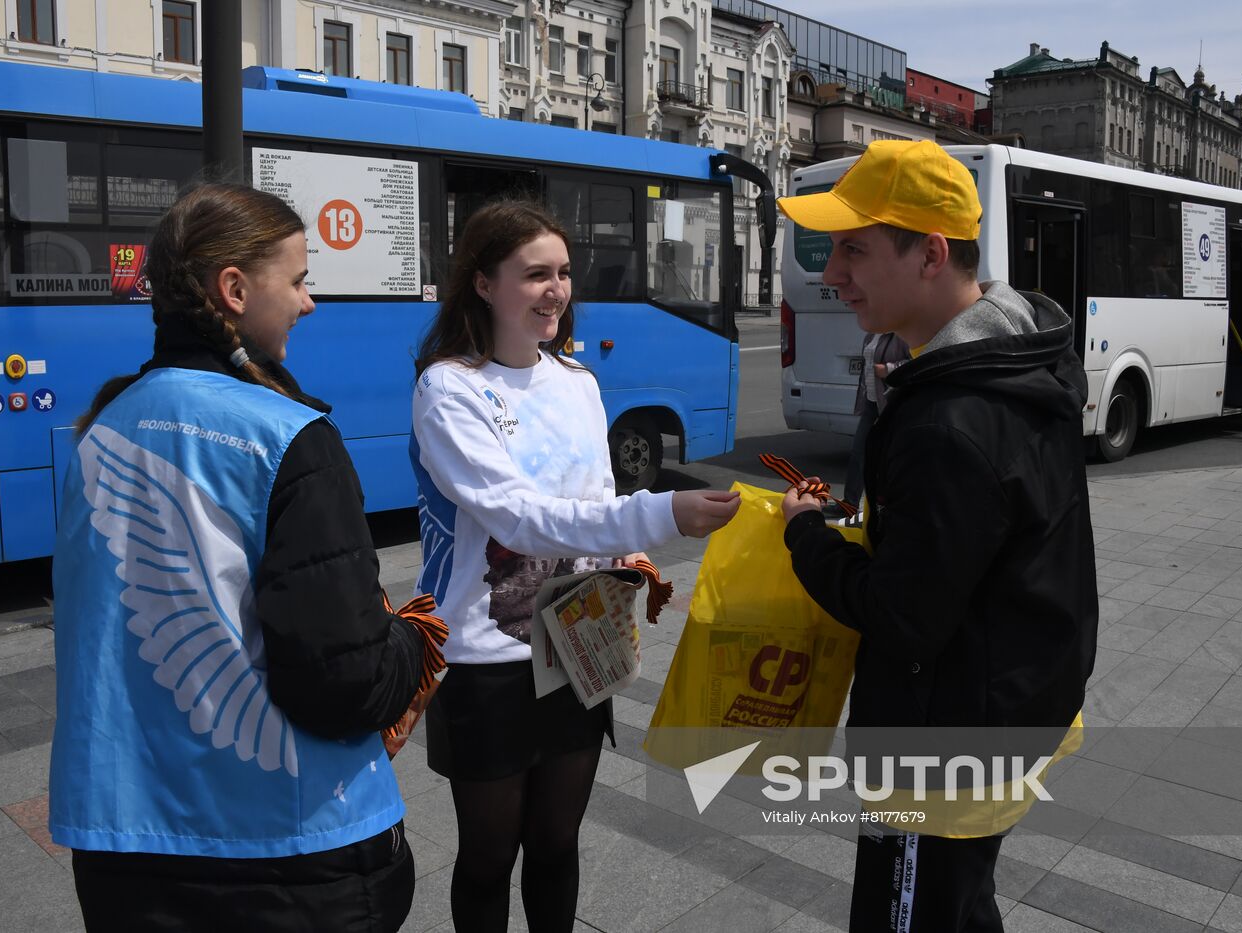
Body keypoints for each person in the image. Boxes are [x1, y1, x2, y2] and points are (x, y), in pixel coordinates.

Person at [50, 183, 440, 932]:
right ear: (234, 289)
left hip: (121, 850)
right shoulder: (286, 435)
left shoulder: (100, 433)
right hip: (286, 854)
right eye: (296, 279)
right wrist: (408, 642)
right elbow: (343, 680)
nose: (308, 301)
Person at [776, 140, 1098, 932]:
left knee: (912, 911)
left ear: (931, 255)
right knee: (960, 901)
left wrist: (807, 536)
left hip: (946, 744)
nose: (830, 273)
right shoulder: (1017, 356)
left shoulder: (951, 416)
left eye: (853, 248)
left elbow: (904, 615)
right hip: (1014, 701)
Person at [410, 198, 740, 933]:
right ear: (484, 284)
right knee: (490, 854)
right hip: (483, 657)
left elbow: (592, 498)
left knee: (558, 841)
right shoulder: (449, 387)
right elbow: (515, 518)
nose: (555, 289)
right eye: (534, 274)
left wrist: (626, 555)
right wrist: (661, 511)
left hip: (576, 639)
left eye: (562, 272)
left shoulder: (578, 382)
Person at [837, 329, 909, 516]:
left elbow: (914, 363)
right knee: (859, 452)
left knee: (893, 456)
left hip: (890, 403)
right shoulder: (872, 335)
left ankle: (891, 506)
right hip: (871, 401)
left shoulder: (900, 336)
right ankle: (850, 503)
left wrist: (888, 369)